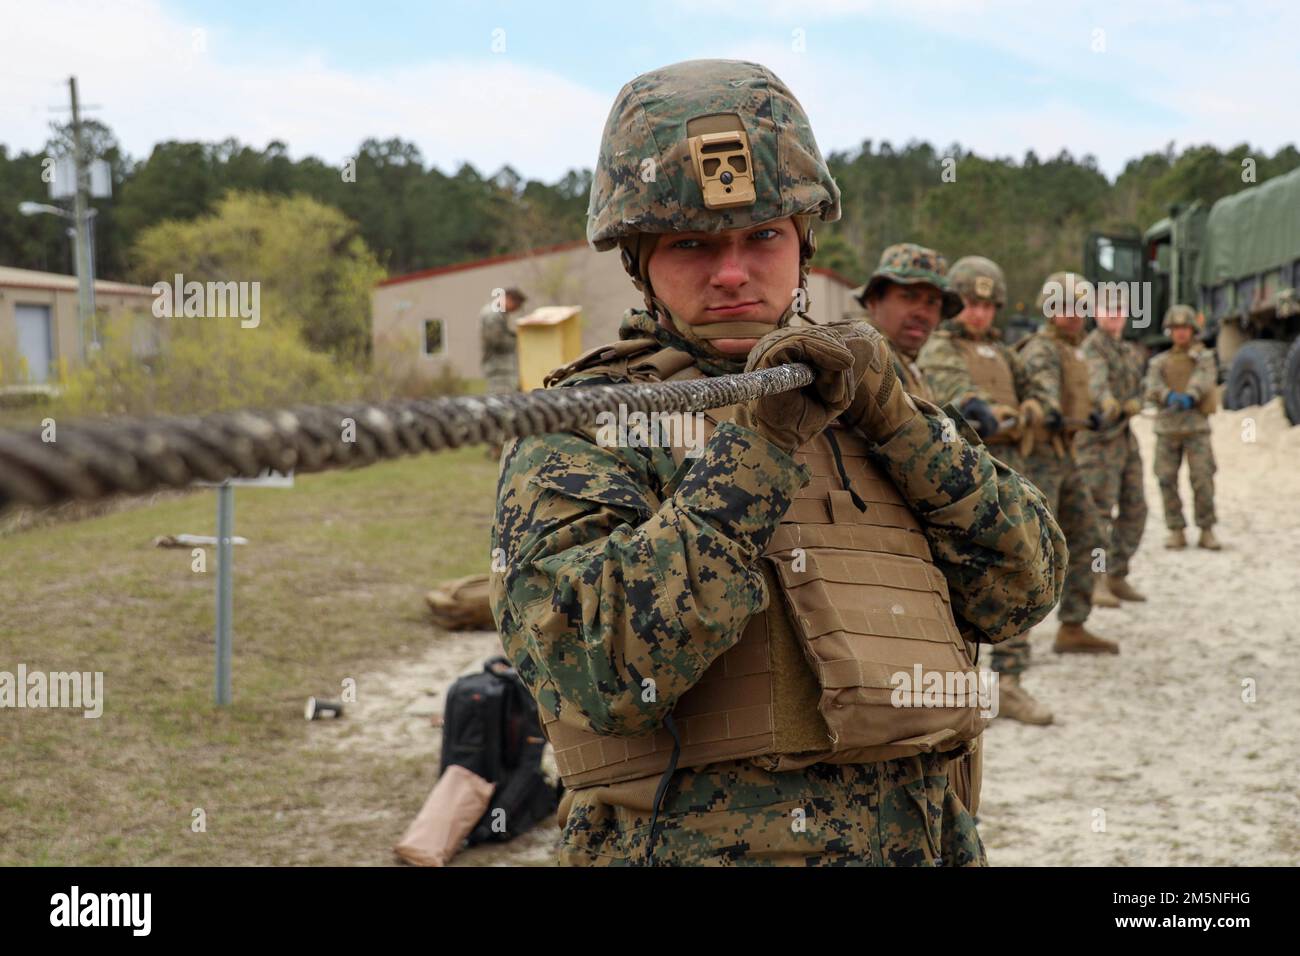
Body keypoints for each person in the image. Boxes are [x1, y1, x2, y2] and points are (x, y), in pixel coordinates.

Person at [489, 59, 1065, 867]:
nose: (732, 272)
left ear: (803, 241)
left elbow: (1023, 589)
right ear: (639, 259)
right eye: (692, 243)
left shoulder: (867, 397)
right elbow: (600, 670)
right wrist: (758, 453)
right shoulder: (586, 427)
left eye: (762, 236)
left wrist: (905, 428)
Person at [917, 255, 1053, 725]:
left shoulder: (1005, 351)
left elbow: (1034, 384)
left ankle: (1011, 682)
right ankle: (960, 686)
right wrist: (986, 408)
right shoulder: (939, 346)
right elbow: (951, 390)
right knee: (960, 582)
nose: (979, 314)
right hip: (962, 485)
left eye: (987, 305)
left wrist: (1033, 404)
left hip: (1006, 481)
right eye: (971, 304)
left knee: (1018, 573)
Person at [1017, 272, 1118, 654]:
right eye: (1063, 307)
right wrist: (1051, 410)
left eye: (1079, 307)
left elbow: (1084, 394)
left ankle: (1073, 624)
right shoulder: (1042, 348)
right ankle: (1016, 639)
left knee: (1090, 536)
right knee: (1033, 548)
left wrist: (1092, 414)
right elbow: (1042, 386)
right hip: (1038, 460)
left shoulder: (1077, 350)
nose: (1072, 314)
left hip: (1065, 455)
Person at [1074, 287, 1149, 604]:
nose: (1115, 315)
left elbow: (1142, 388)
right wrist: (1109, 403)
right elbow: (1096, 383)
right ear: (1096, 314)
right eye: (1108, 309)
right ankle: (1095, 581)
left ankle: (1117, 574)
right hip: (1097, 441)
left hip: (1124, 438)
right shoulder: (1092, 348)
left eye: (1119, 309)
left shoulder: (1129, 351)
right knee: (1099, 513)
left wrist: (1135, 402)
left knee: (1135, 508)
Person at [1144, 305, 1222, 550]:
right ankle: (1176, 529)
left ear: (1193, 330)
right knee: (1166, 479)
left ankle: (1206, 529)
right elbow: (1152, 385)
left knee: (1202, 479)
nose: (1180, 333)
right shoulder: (1159, 361)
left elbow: (1205, 378)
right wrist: (1167, 396)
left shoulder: (1204, 357)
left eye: (1185, 328)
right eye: (1176, 328)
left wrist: (1190, 395)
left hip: (1196, 428)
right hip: (1167, 429)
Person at [852, 243, 963, 401]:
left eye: (932, 302)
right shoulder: (864, 354)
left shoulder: (908, 363)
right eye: (909, 297)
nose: (922, 314)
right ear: (874, 301)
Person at [480, 287, 528, 395]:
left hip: (502, 367)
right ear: (509, 299)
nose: (516, 309)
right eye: (517, 305)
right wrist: (520, 342)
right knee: (502, 400)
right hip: (499, 369)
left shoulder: (498, 313)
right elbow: (497, 340)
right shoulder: (493, 315)